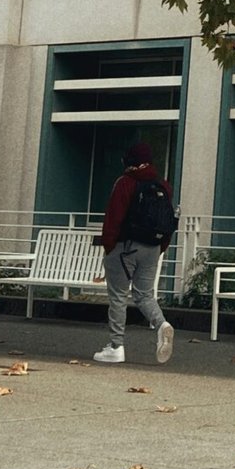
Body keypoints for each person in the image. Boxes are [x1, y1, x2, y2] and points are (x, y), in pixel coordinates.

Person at [92, 137, 175, 365]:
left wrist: (109, 248)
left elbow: (113, 219)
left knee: (118, 296)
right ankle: (162, 325)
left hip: (124, 247)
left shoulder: (125, 182)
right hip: (153, 247)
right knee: (144, 295)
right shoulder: (163, 185)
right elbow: (168, 220)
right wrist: (160, 248)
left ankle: (116, 347)